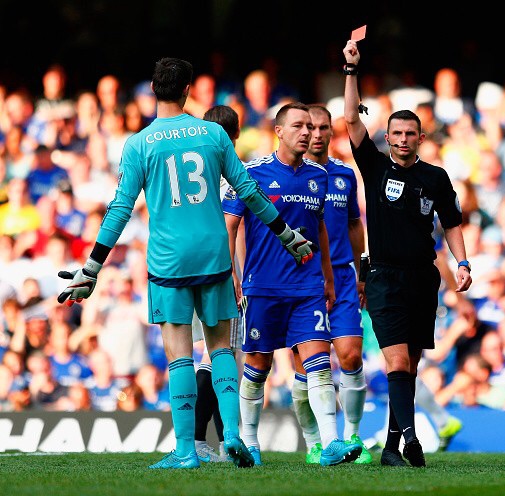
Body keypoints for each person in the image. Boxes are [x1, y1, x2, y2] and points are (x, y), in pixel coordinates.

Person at [55, 58, 317, 470]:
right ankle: (232, 435)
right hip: (214, 255)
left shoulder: (140, 143)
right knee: (222, 351)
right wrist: (287, 235)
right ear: (188, 89)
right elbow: (248, 189)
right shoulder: (213, 134)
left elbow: (121, 208)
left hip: (169, 261)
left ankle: (185, 450)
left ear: (153, 92)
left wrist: (92, 268)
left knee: (180, 357)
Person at [342, 40, 472, 467]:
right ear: (387, 137)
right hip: (383, 277)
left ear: (420, 137)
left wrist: (463, 262)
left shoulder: (435, 177)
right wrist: (350, 70)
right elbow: (350, 119)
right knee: (396, 359)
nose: (401, 139)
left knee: (410, 367)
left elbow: (451, 223)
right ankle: (413, 440)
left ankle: (391, 449)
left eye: (408, 133)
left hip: (422, 278)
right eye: (395, 133)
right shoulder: (374, 166)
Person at [223, 102, 362, 467]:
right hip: (263, 287)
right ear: (279, 131)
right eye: (298, 126)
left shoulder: (319, 176)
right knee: (257, 364)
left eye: (309, 126)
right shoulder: (251, 173)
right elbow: (230, 226)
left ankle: (331, 443)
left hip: (307, 288)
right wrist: (233, 275)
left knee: (319, 362)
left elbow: (319, 229)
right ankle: (251, 443)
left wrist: (328, 278)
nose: (306, 132)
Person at [290, 104, 371, 464]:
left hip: (341, 276)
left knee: (351, 355)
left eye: (324, 128)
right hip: (301, 281)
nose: (318, 134)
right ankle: (314, 443)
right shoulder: (289, 174)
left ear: (331, 133)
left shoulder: (344, 176)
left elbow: (355, 225)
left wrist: (362, 271)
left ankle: (354, 436)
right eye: (312, 127)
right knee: (305, 370)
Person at [191, 104, 244, 464]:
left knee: (207, 358)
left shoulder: (198, 172)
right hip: (225, 273)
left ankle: (212, 440)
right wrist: (237, 275)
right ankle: (216, 441)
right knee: (224, 358)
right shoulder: (237, 176)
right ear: (235, 136)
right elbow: (234, 230)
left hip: (189, 270)